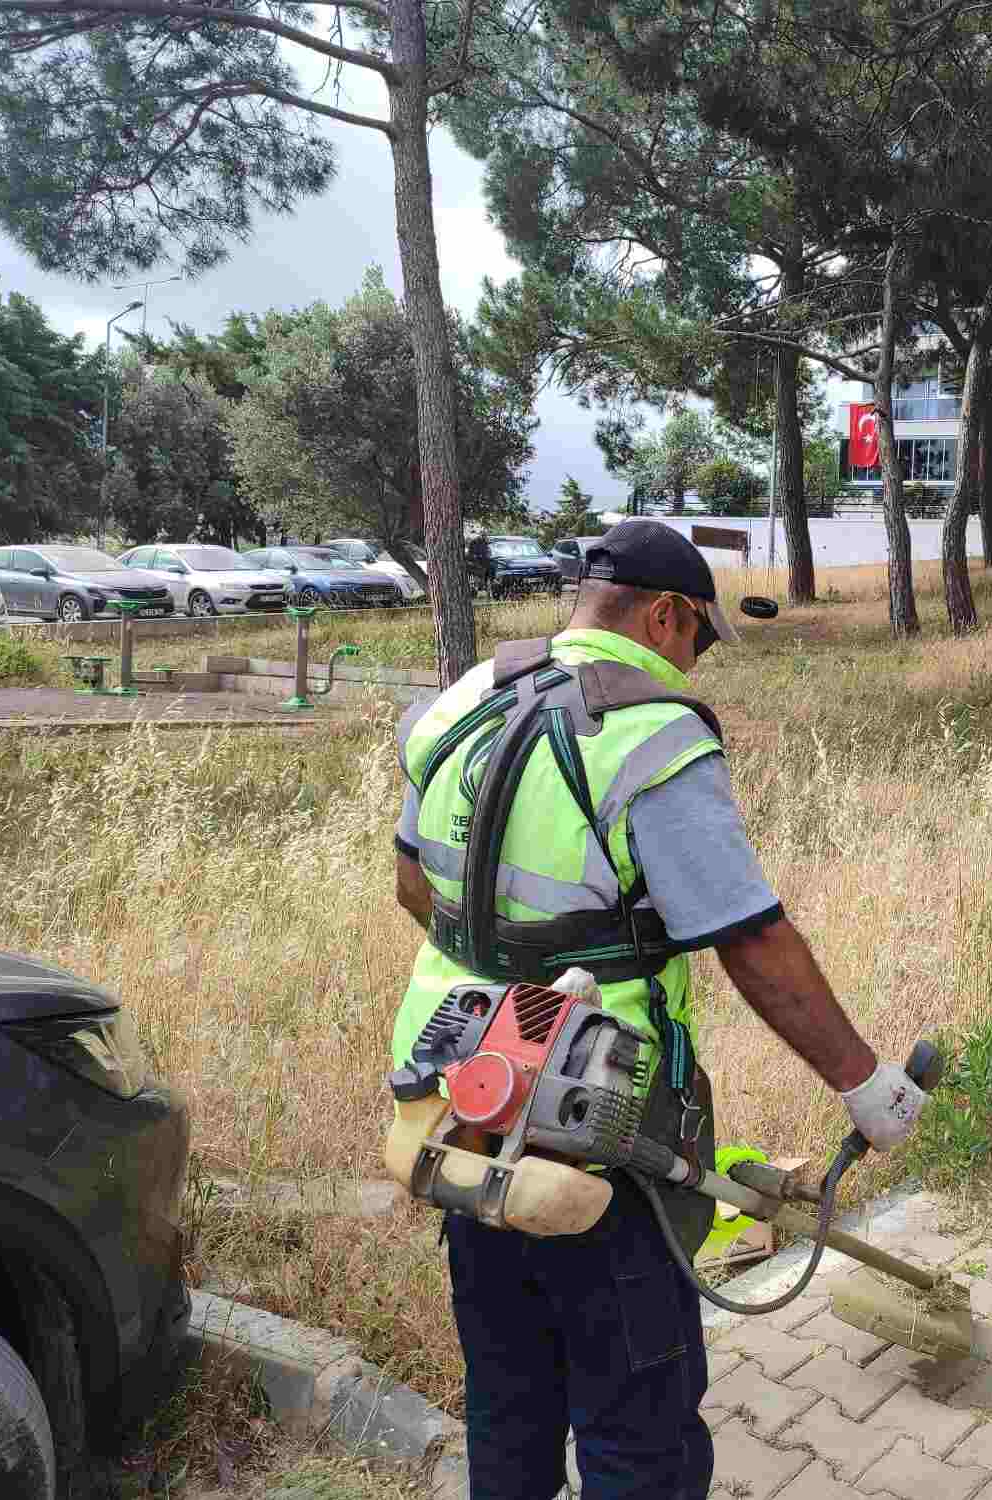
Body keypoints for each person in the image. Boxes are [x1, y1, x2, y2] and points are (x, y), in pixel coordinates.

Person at [387, 520, 922, 1500]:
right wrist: (863, 1082)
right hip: (596, 1128)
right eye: (698, 637)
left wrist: (514, 977)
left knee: (507, 1397)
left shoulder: (463, 697)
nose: (693, 658)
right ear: (667, 614)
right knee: (639, 1427)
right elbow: (750, 940)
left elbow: (413, 886)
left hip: (457, 1098)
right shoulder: (650, 729)